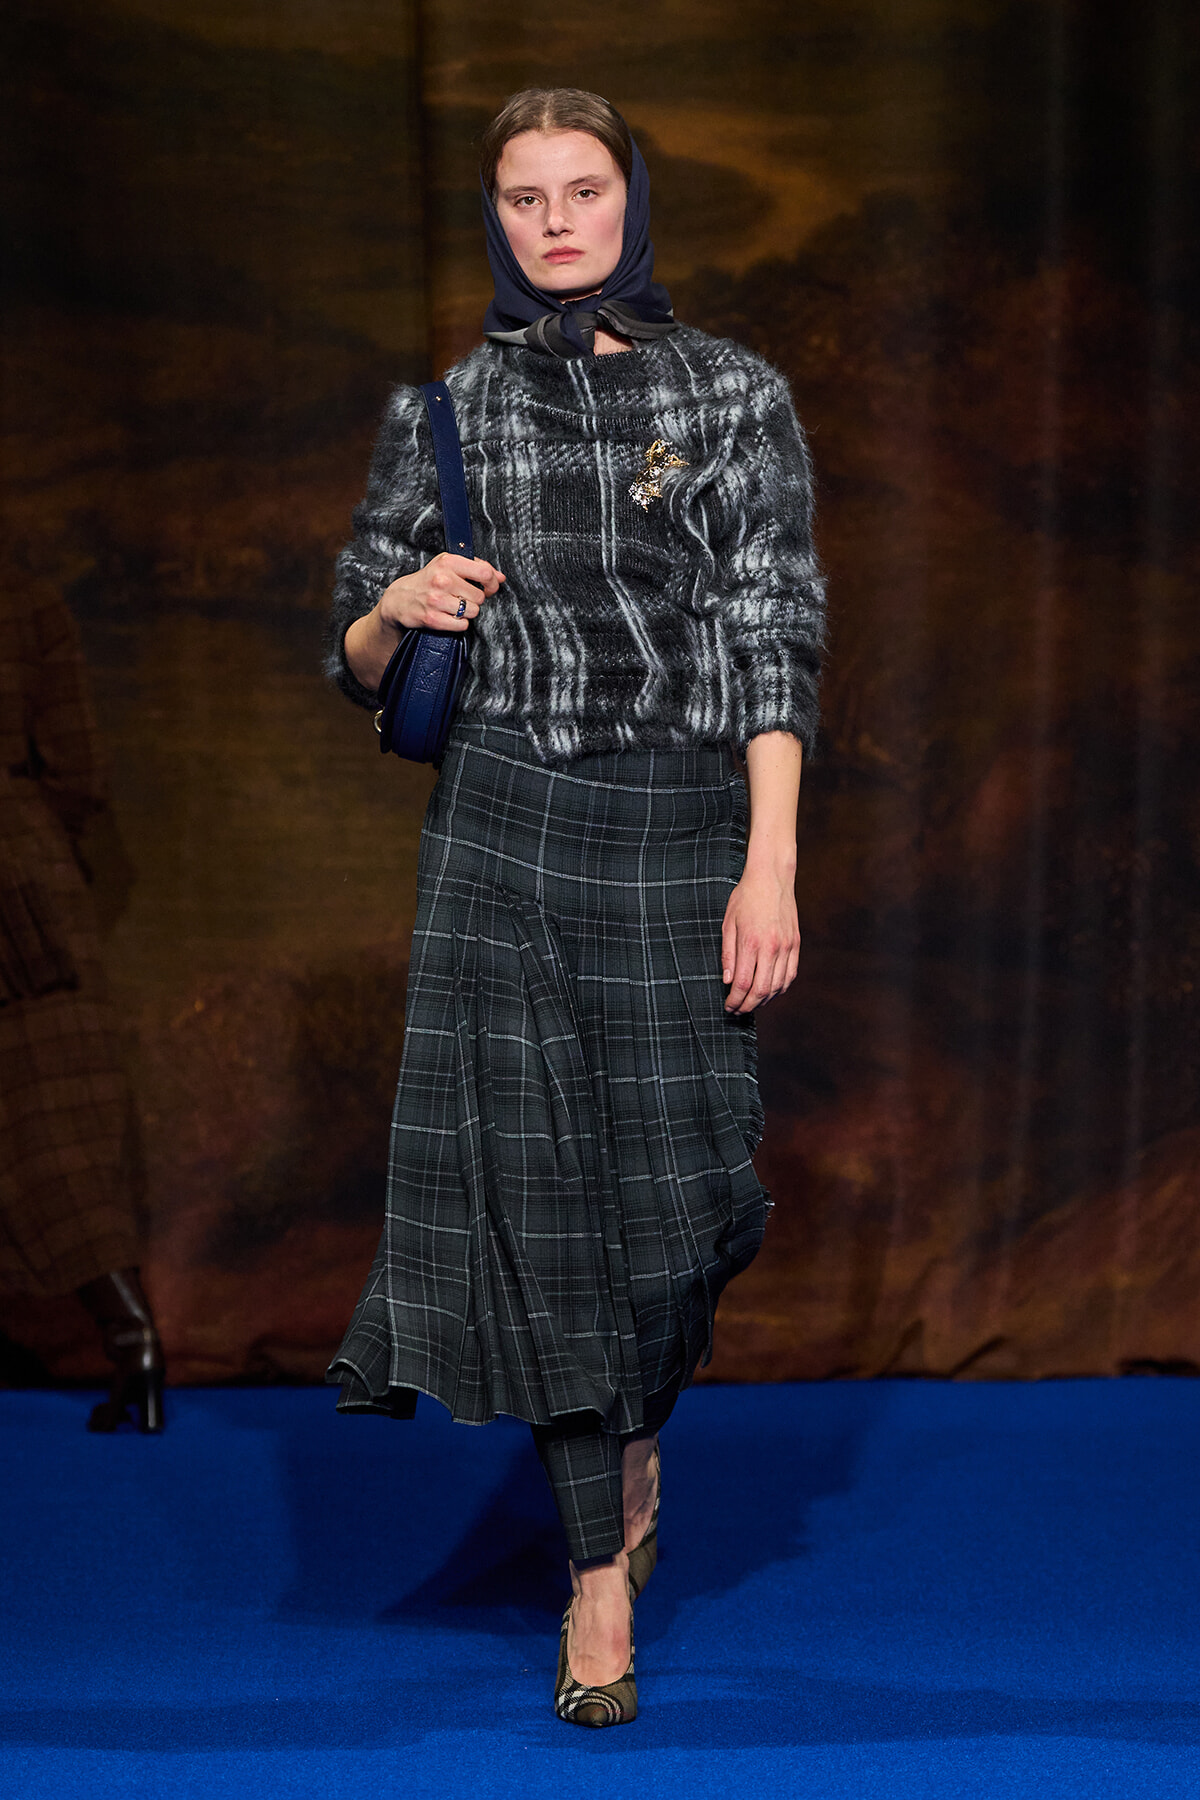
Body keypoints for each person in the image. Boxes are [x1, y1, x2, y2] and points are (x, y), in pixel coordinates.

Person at [324, 87, 824, 1727]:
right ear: (498, 219)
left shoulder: (730, 394)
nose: (557, 220)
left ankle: (638, 1430)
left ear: (632, 202)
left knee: (691, 1208)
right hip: (507, 827)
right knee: (551, 1214)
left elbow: (774, 638)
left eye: (585, 189)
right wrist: (396, 604)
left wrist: (771, 862)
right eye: (526, 196)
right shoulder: (449, 409)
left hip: (682, 828)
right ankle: (595, 1578)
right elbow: (355, 662)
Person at [0, 574, 165, 1432]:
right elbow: (76, 770)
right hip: (19, 862)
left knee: (41, 1121)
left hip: (15, 879)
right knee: (48, 1119)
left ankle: (135, 1343)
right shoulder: (22, 589)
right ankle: (134, 1344)